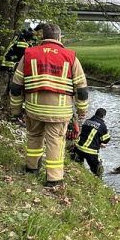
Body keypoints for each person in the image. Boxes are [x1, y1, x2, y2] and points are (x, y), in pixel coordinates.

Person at [9, 23, 89, 188]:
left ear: (42, 37)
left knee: (34, 137)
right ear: (59, 37)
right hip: (59, 111)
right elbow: (81, 89)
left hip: (33, 109)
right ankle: (53, 179)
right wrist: (82, 111)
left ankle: (31, 168)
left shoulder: (29, 54)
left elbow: (16, 86)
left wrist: (15, 110)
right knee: (55, 142)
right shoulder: (70, 56)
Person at [72, 108, 110, 177]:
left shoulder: (87, 121)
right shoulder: (103, 126)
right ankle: (98, 180)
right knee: (97, 170)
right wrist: (100, 142)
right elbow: (106, 140)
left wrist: (98, 141)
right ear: (103, 116)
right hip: (91, 152)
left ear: (95, 113)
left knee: (78, 164)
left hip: (79, 148)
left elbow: (85, 134)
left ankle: (79, 173)